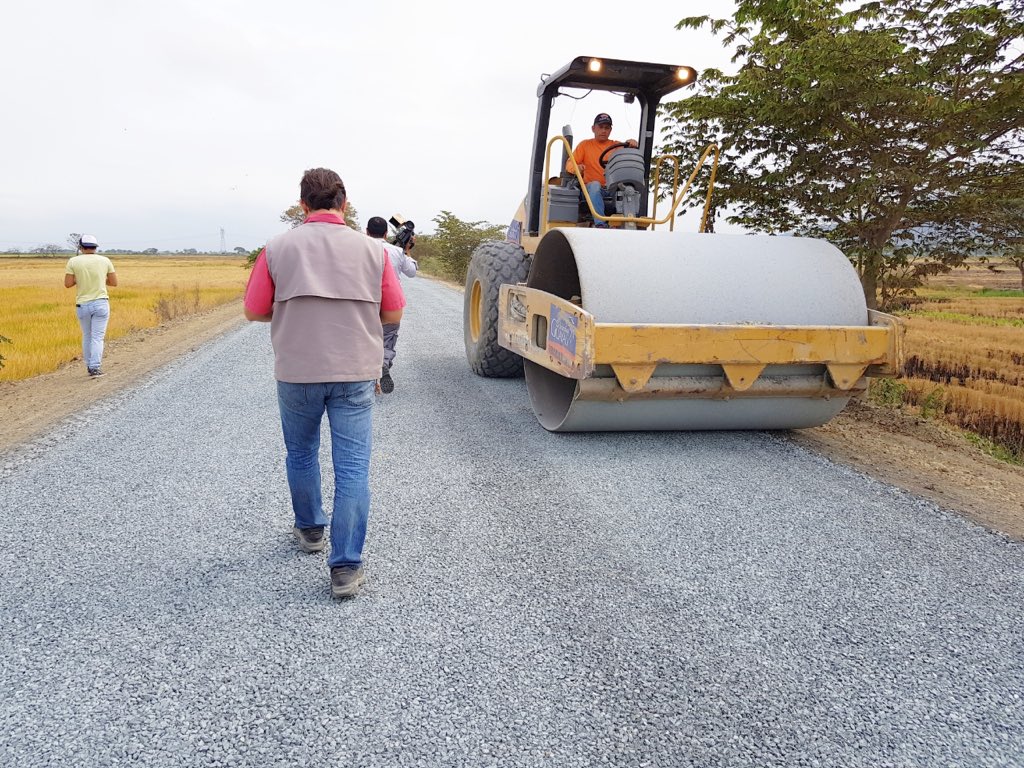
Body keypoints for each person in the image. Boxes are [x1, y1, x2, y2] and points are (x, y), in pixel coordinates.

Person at [243, 168, 405, 599]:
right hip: (354, 372)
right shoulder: (374, 252)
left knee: (300, 452)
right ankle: (346, 568)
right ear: (344, 204)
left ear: (303, 206)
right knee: (352, 468)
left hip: (297, 371)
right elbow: (393, 312)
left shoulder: (277, 248)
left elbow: (255, 310)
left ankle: (312, 531)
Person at [366, 216, 417, 394]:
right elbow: (411, 273)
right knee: (387, 340)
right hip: (390, 303)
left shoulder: (360, 249)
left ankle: (366, 379)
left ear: (366, 232)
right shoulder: (396, 251)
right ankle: (384, 364)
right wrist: (407, 251)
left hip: (365, 301)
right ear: (386, 234)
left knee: (364, 339)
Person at [565, 112, 638, 228]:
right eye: (601, 127)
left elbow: (629, 151)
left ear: (610, 130)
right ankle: (600, 224)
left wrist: (632, 143)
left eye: (607, 128)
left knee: (629, 189)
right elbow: (569, 163)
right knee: (595, 185)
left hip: (612, 188)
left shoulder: (617, 146)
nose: (604, 130)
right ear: (593, 128)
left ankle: (630, 222)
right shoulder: (585, 145)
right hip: (589, 190)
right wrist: (576, 168)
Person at [64, 234, 117, 377]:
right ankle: (95, 367)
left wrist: (79, 279)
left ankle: (89, 366)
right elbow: (113, 283)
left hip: (82, 305)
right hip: (101, 303)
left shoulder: (73, 261)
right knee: (97, 337)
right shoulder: (105, 260)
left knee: (87, 336)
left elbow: (68, 284)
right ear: (95, 247)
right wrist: (100, 279)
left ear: (81, 247)